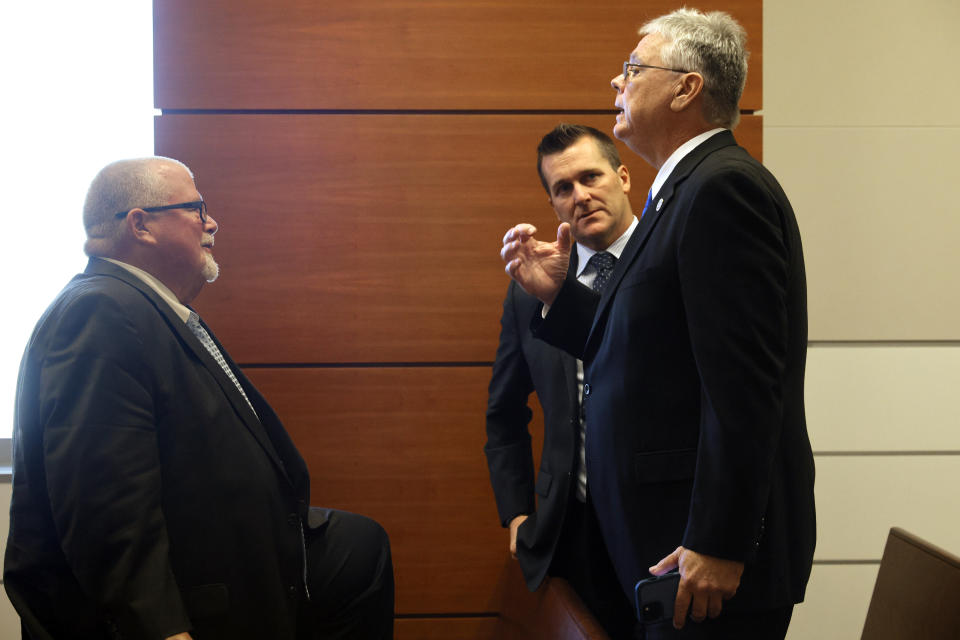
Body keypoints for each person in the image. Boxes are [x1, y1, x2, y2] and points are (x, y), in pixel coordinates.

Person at [500, 9, 815, 639]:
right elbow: (646, 354)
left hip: (701, 561)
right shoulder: (680, 193)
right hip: (664, 550)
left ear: (686, 87)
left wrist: (720, 542)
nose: (617, 84)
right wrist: (561, 301)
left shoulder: (722, 189)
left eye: (632, 69)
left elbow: (745, 388)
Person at [4, 157, 395, 640]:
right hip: (194, 604)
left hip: (241, 570)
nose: (212, 223)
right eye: (196, 208)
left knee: (358, 547)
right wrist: (162, 629)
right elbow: (105, 506)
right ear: (141, 224)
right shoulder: (100, 311)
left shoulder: (146, 306)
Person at [485, 124, 640, 637]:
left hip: (655, 526)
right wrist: (516, 512)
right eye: (563, 188)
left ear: (623, 177)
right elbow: (504, 412)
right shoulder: (530, 290)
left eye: (591, 177)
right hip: (568, 527)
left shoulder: (666, 265)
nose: (581, 196)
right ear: (552, 204)